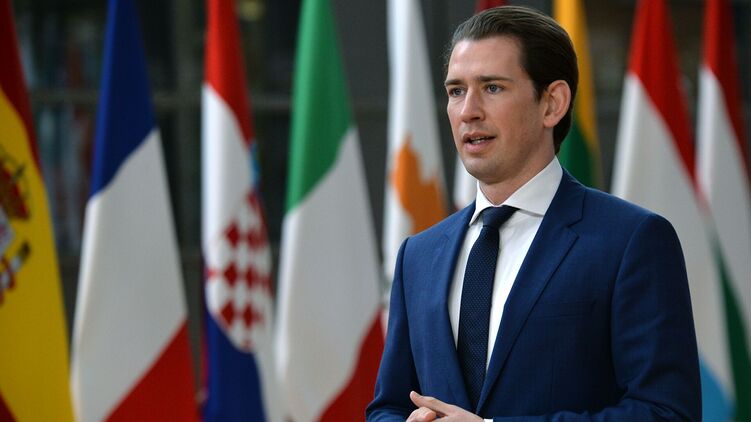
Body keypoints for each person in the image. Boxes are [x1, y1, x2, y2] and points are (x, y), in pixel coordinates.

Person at [366, 5, 700, 421]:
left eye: (492, 87)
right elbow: (390, 405)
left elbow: (666, 413)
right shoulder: (417, 255)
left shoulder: (632, 241)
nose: (468, 110)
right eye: (456, 91)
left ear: (552, 103)